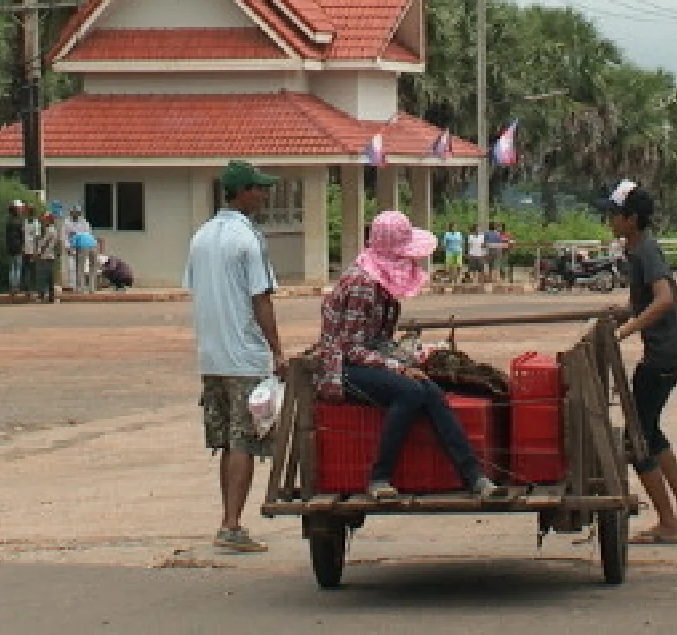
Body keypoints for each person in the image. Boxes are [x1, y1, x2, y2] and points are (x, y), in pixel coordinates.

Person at [314, 210, 502, 502]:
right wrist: (398, 369)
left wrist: (410, 361)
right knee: (411, 392)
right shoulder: (362, 284)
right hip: (342, 368)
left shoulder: (381, 286)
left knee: (431, 390)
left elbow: (379, 342)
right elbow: (351, 348)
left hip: (368, 360)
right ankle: (379, 477)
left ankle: (474, 476)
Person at [184, 160, 284, 552]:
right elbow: (260, 299)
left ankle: (229, 520)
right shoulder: (248, 238)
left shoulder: (201, 237)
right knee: (243, 441)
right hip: (243, 356)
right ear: (242, 192)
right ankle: (231, 525)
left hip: (210, 357)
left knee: (226, 441)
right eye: (258, 189)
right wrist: (277, 351)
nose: (263, 195)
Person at [604, 180, 677, 545]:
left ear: (632, 219)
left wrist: (627, 329)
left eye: (614, 216)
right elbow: (648, 298)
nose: (610, 221)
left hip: (666, 351)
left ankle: (667, 522)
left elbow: (663, 299)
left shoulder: (645, 251)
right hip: (673, 348)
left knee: (638, 437)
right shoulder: (638, 251)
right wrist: (624, 313)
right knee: (651, 428)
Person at [59, 206, 89, 291]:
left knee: (81, 268)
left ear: (79, 213)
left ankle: (80, 286)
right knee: (71, 267)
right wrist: (67, 247)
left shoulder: (84, 223)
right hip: (71, 248)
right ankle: (73, 286)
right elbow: (63, 236)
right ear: (71, 213)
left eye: (77, 212)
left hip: (81, 248)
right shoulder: (66, 223)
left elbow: (87, 235)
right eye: (73, 212)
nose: (75, 214)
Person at [34, 212, 58, 303]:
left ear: (49, 220)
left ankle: (42, 296)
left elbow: (45, 244)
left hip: (45, 257)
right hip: (49, 256)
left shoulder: (50, 230)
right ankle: (51, 297)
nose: (44, 221)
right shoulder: (52, 230)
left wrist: (39, 254)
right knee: (49, 278)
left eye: (45, 219)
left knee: (42, 277)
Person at [4, 201, 24, 295]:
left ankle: (12, 287)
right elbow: (21, 235)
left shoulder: (8, 222)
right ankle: (17, 287)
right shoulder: (19, 222)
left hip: (10, 247)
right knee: (18, 268)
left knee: (11, 268)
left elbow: (6, 236)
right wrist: (22, 245)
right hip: (18, 246)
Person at [71, 228, 100, 293]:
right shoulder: (87, 234)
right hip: (94, 246)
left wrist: (75, 256)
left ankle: (81, 289)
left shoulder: (74, 237)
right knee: (92, 268)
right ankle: (92, 289)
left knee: (80, 268)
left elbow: (72, 249)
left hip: (83, 247)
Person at [21, 204, 41, 294]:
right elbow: (22, 235)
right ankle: (28, 288)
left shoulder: (35, 223)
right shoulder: (26, 222)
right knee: (27, 269)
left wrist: (36, 250)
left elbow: (37, 237)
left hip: (32, 249)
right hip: (26, 249)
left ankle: (32, 288)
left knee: (32, 270)